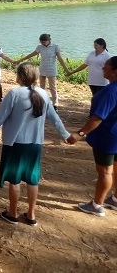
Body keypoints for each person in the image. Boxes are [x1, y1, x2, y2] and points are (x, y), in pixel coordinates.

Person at [0, 63, 72, 226]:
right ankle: (31, 215)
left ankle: (13, 213)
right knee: (33, 179)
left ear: (21, 77)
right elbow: (55, 119)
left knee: (15, 180)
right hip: (35, 144)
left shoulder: (14, 94)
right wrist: (66, 135)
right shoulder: (43, 94)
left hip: (15, 144)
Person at [69, 57, 117, 217]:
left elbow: (98, 118)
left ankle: (97, 205)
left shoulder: (111, 91)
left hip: (107, 137)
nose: (103, 69)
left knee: (105, 171)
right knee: (115, 168)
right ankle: (115, 199)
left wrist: (80, 134)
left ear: (115, 71)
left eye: (107, 67)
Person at [17, 34, 69, 110]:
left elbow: (60, 59)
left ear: (49, 40)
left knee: (52, 87)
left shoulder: (55, 47)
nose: (43, 43)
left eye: (44, 42)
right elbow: (31, 54)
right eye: (41, 42)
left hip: (51, 69)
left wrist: (66, 70)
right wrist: (20, 60)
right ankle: (43, 102)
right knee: (42, 87)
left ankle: (55, 104)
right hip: (42, 69)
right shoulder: (40, 47)